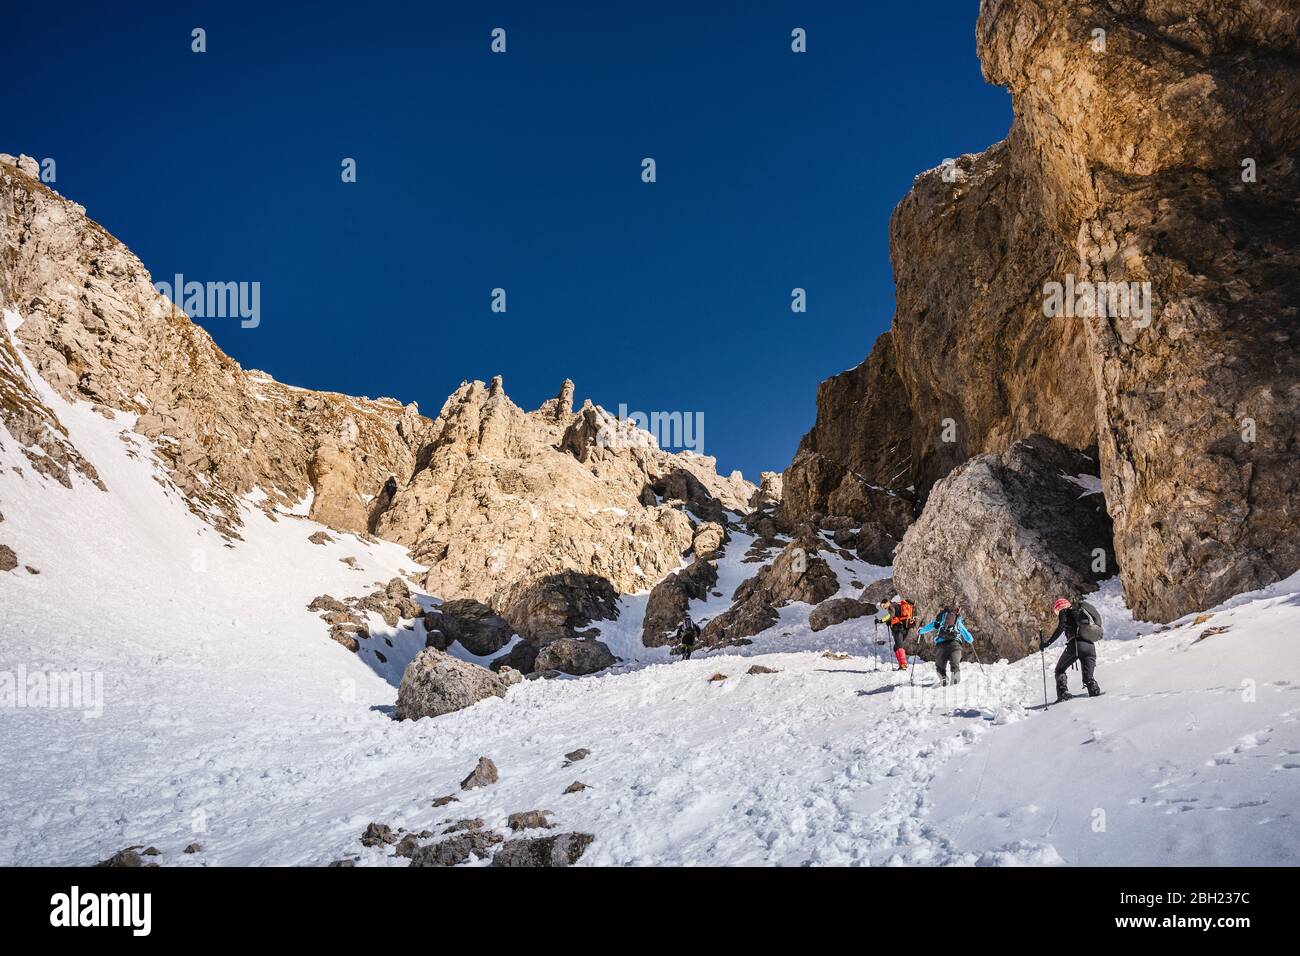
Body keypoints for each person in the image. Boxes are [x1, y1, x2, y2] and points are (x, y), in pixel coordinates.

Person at [1041, 597, 1103, 700]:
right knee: (1089, 678)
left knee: (1059, 670)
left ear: (1059, 607)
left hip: (1075, 645)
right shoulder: (1080, 613)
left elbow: (1061, 626)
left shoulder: (1064, 611)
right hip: (1090, 647)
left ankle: (1063, 693)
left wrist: (1048, 643)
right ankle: (1095, 694)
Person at [919, 605, 974, 686]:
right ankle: (955, 682)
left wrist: (920, 631)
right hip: (955, 645)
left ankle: (943, 679)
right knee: (955, 664)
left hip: (941, 645)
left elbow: (929, 627)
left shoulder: (940, 620)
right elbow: (968, 637)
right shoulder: (957, 621)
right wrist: (970, 640)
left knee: (940, 666)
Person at [878, 595, 915, 670]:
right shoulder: (898, 605)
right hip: (905, 628)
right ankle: (901, 664)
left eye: (884, 605)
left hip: (897, 629)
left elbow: (891, 615)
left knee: (899, 646)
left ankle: (903, 665)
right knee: (896, 647)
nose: (884, 608)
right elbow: (896, 616)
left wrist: (881, 620)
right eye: (882, 607)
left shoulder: (891, 606)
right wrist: (889, 622)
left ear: (888, 602)